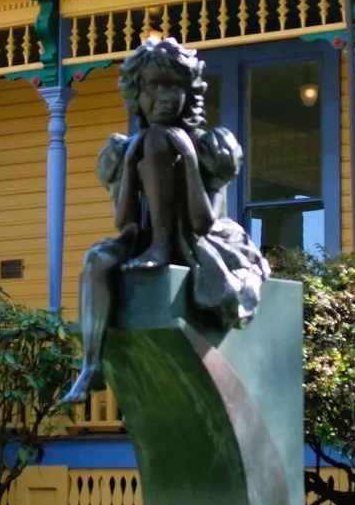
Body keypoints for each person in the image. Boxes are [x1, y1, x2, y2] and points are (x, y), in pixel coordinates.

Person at [69, 35, 269, 399]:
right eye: (152, 86)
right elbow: (124, 221)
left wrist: (188, 160)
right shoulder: (122, 149)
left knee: (160, 142)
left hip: (200, 241)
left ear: (188, 93)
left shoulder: (212, 146)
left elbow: (204, 222)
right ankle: (91, 366)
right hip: (141, 239)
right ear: (136, 93)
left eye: (172, 86)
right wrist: (131, 161)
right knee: (96, 261)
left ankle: (162, 250)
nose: (162, 96)